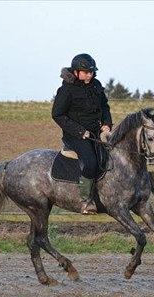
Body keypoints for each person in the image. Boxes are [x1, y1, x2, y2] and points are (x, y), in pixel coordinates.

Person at [52, 53, 112, 214]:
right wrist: (80, 131)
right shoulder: (66, 90)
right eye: (86, 72)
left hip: (96, 132)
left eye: (91, 72)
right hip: (76, 135)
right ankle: (85, 201)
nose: (89, 75)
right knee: (91, 163)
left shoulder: (96, 85)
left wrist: (106, 124)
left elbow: (105, 106)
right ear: (76, 72)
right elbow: (57, 115)